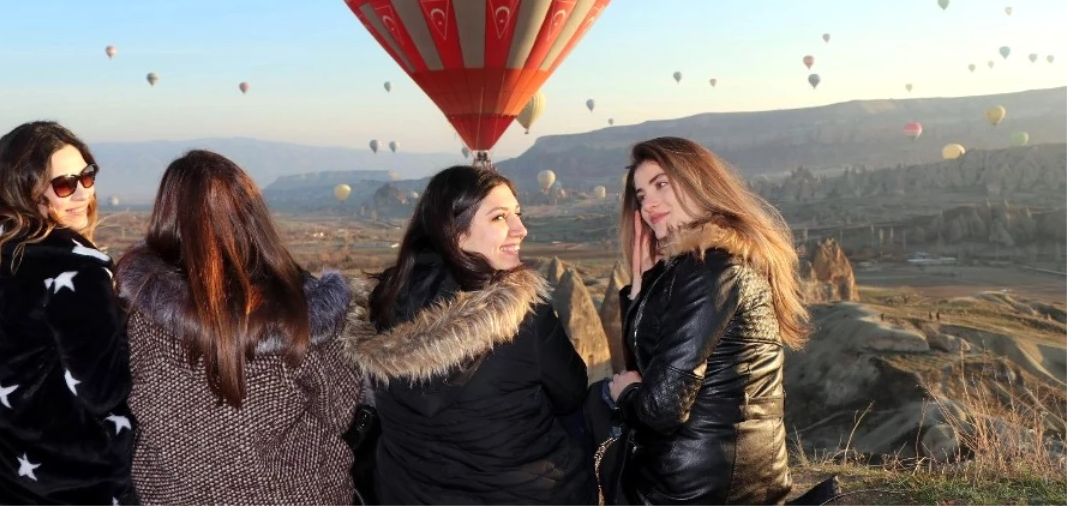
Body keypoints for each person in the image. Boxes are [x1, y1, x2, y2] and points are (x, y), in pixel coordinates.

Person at [115, 150, 361, 505]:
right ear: (253, 215)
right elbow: (340, 411)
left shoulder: (139, 307)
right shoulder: (302, 315)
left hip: (175, 496)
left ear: (167, 213)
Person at [345, 165, 591, 506]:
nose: (521, 229)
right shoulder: (523, 316)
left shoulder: (379, 306)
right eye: (500, 218)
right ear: (455, 233)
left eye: (518, 214)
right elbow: (573, 392)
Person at [608, 138, 810, 506]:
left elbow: (660, 409)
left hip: (699, 489)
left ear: (699, 180)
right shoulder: (702, 266)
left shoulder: (711, 269)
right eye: (640, 195)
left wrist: (624, 395)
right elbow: (650, 367)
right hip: (719, 477)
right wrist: (639, 290)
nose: (648, 204)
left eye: (661, 184)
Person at [0, 121, 136, 505]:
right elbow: (106, 392)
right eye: (64, 185)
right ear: (26, 189)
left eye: (87, 176)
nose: (82, 192)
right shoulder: (80, 269)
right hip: (72, 472)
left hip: (8, 457)